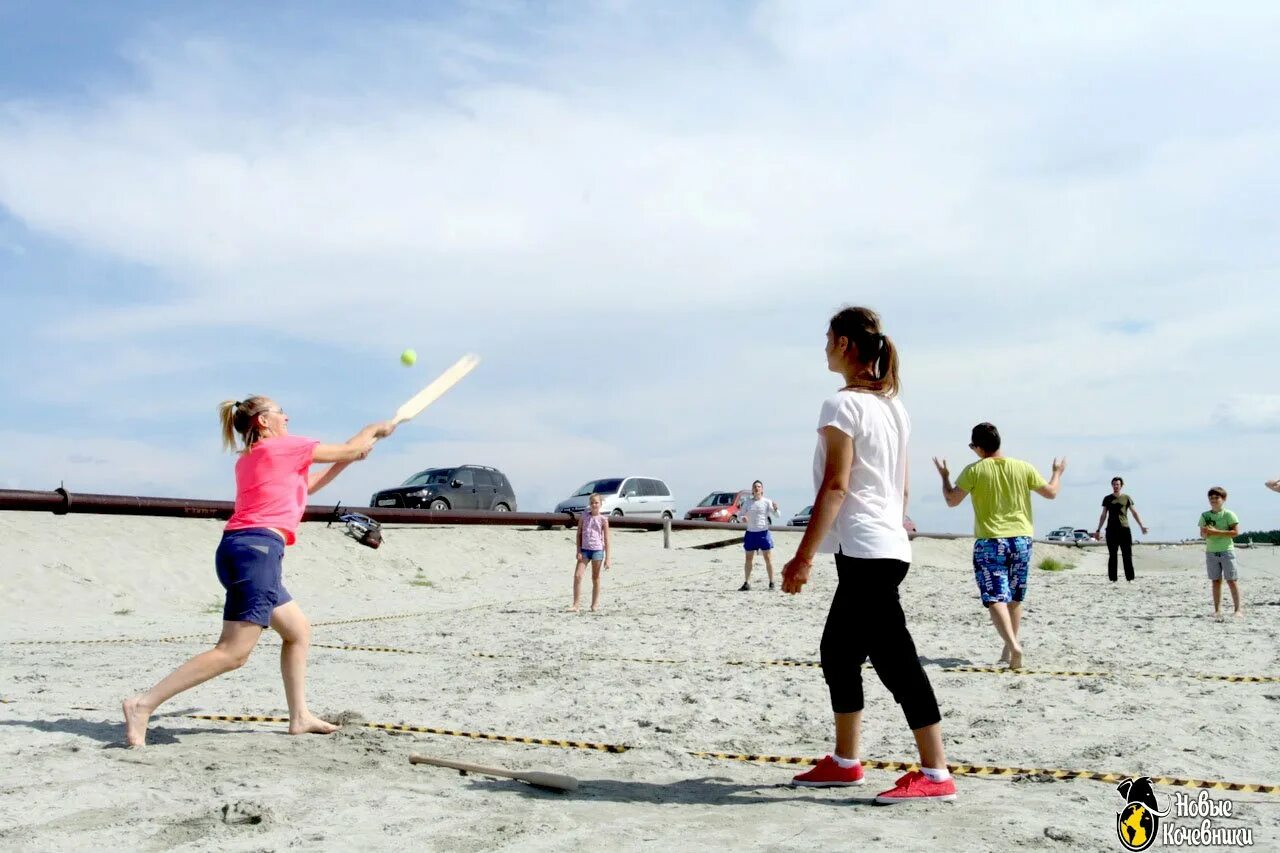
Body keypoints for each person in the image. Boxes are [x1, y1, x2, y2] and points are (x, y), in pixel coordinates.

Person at [123, 397, 394, 747]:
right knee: (233, 653)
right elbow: (348, 447)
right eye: (281, 412)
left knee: (297, 631)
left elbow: (305, 487)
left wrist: (347, 460)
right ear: (264, 421)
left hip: (242, 548)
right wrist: (375, 429)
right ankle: (142, 704)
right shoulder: (284, 446)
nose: (288, 417)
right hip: (258, 551)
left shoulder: (252, 458)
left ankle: (299, 717)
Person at [782, 306, 955, 804]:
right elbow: (900, 486)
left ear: (844, 345)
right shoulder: (893, 406)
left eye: (827, 337)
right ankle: (845, 762)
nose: (823, 347)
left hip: (866, 548)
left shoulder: (841, 407)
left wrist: (803, 557)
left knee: (895, 659)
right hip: (884, 545)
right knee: (838, 654)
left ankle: (936, 773)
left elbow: (835, 487)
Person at [933, 423, 1064, 670]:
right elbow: (1051, 492)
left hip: (991, 540)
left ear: (979, 447)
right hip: (1022, 540)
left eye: (973, 446)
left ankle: (1014, 646)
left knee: (995, 597)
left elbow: (951, 500)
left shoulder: (975, 470)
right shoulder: (1022, 467)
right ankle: (1009, 647)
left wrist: (945, 477)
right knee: (1015, 597)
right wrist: (1057, 472)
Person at [1094, 477, 1149, 582]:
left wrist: (1141, 526)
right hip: (1111, 530)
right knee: (1112, 555)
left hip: (1124, 529)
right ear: (1112, 485)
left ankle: (1130, 579)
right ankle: (1113, 579)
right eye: (1114, 484)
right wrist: (1098, 529)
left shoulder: (1126, 498)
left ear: (1121, 486)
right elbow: (1103, 515)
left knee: (1127, 555)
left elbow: (1134, 513)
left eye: (1117, 484)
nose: (1115, 486)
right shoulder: (1107, 498)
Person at [1199, 486, 1242, 619]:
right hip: (1211, 552)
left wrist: (1216, 532)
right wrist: (1206, 532)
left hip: (1227, 551)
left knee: (1232, 580)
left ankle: (1238, 610)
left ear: (1223, 499)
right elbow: (1202, 534)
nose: (1214, 500)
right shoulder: (1205, 515)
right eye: (1211, 498)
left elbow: (1235, 532)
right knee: (1215, 581)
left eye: (1217, 497)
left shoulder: (1229, 514)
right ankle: (1217, 610)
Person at [571, 493, 611, 612]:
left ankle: (594, 605)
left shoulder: (603, 520)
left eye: (596, 502)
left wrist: (608, 558)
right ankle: (576, 605)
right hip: (584, 550)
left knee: (595, 577)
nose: (594, 505)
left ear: (600, 504)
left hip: (597, 550)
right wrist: (578, 550)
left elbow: (607, 540)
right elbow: (578, 534)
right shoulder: (584, 517)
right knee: (578, 576)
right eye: (592, 502)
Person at [738, 480, 780, 591]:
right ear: (752, 490)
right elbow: (739, 515)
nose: (757, 488)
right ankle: (747, 583)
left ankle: (772, 582)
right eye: (755, 487)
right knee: (748, 559)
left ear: (762, 489)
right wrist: (742, 518)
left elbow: (777, 516)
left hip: (763, 533)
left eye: (759, 486)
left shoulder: (767, 502)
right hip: (751, 533)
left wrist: (776, 508)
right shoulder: (747, 502)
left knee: (768, 558)